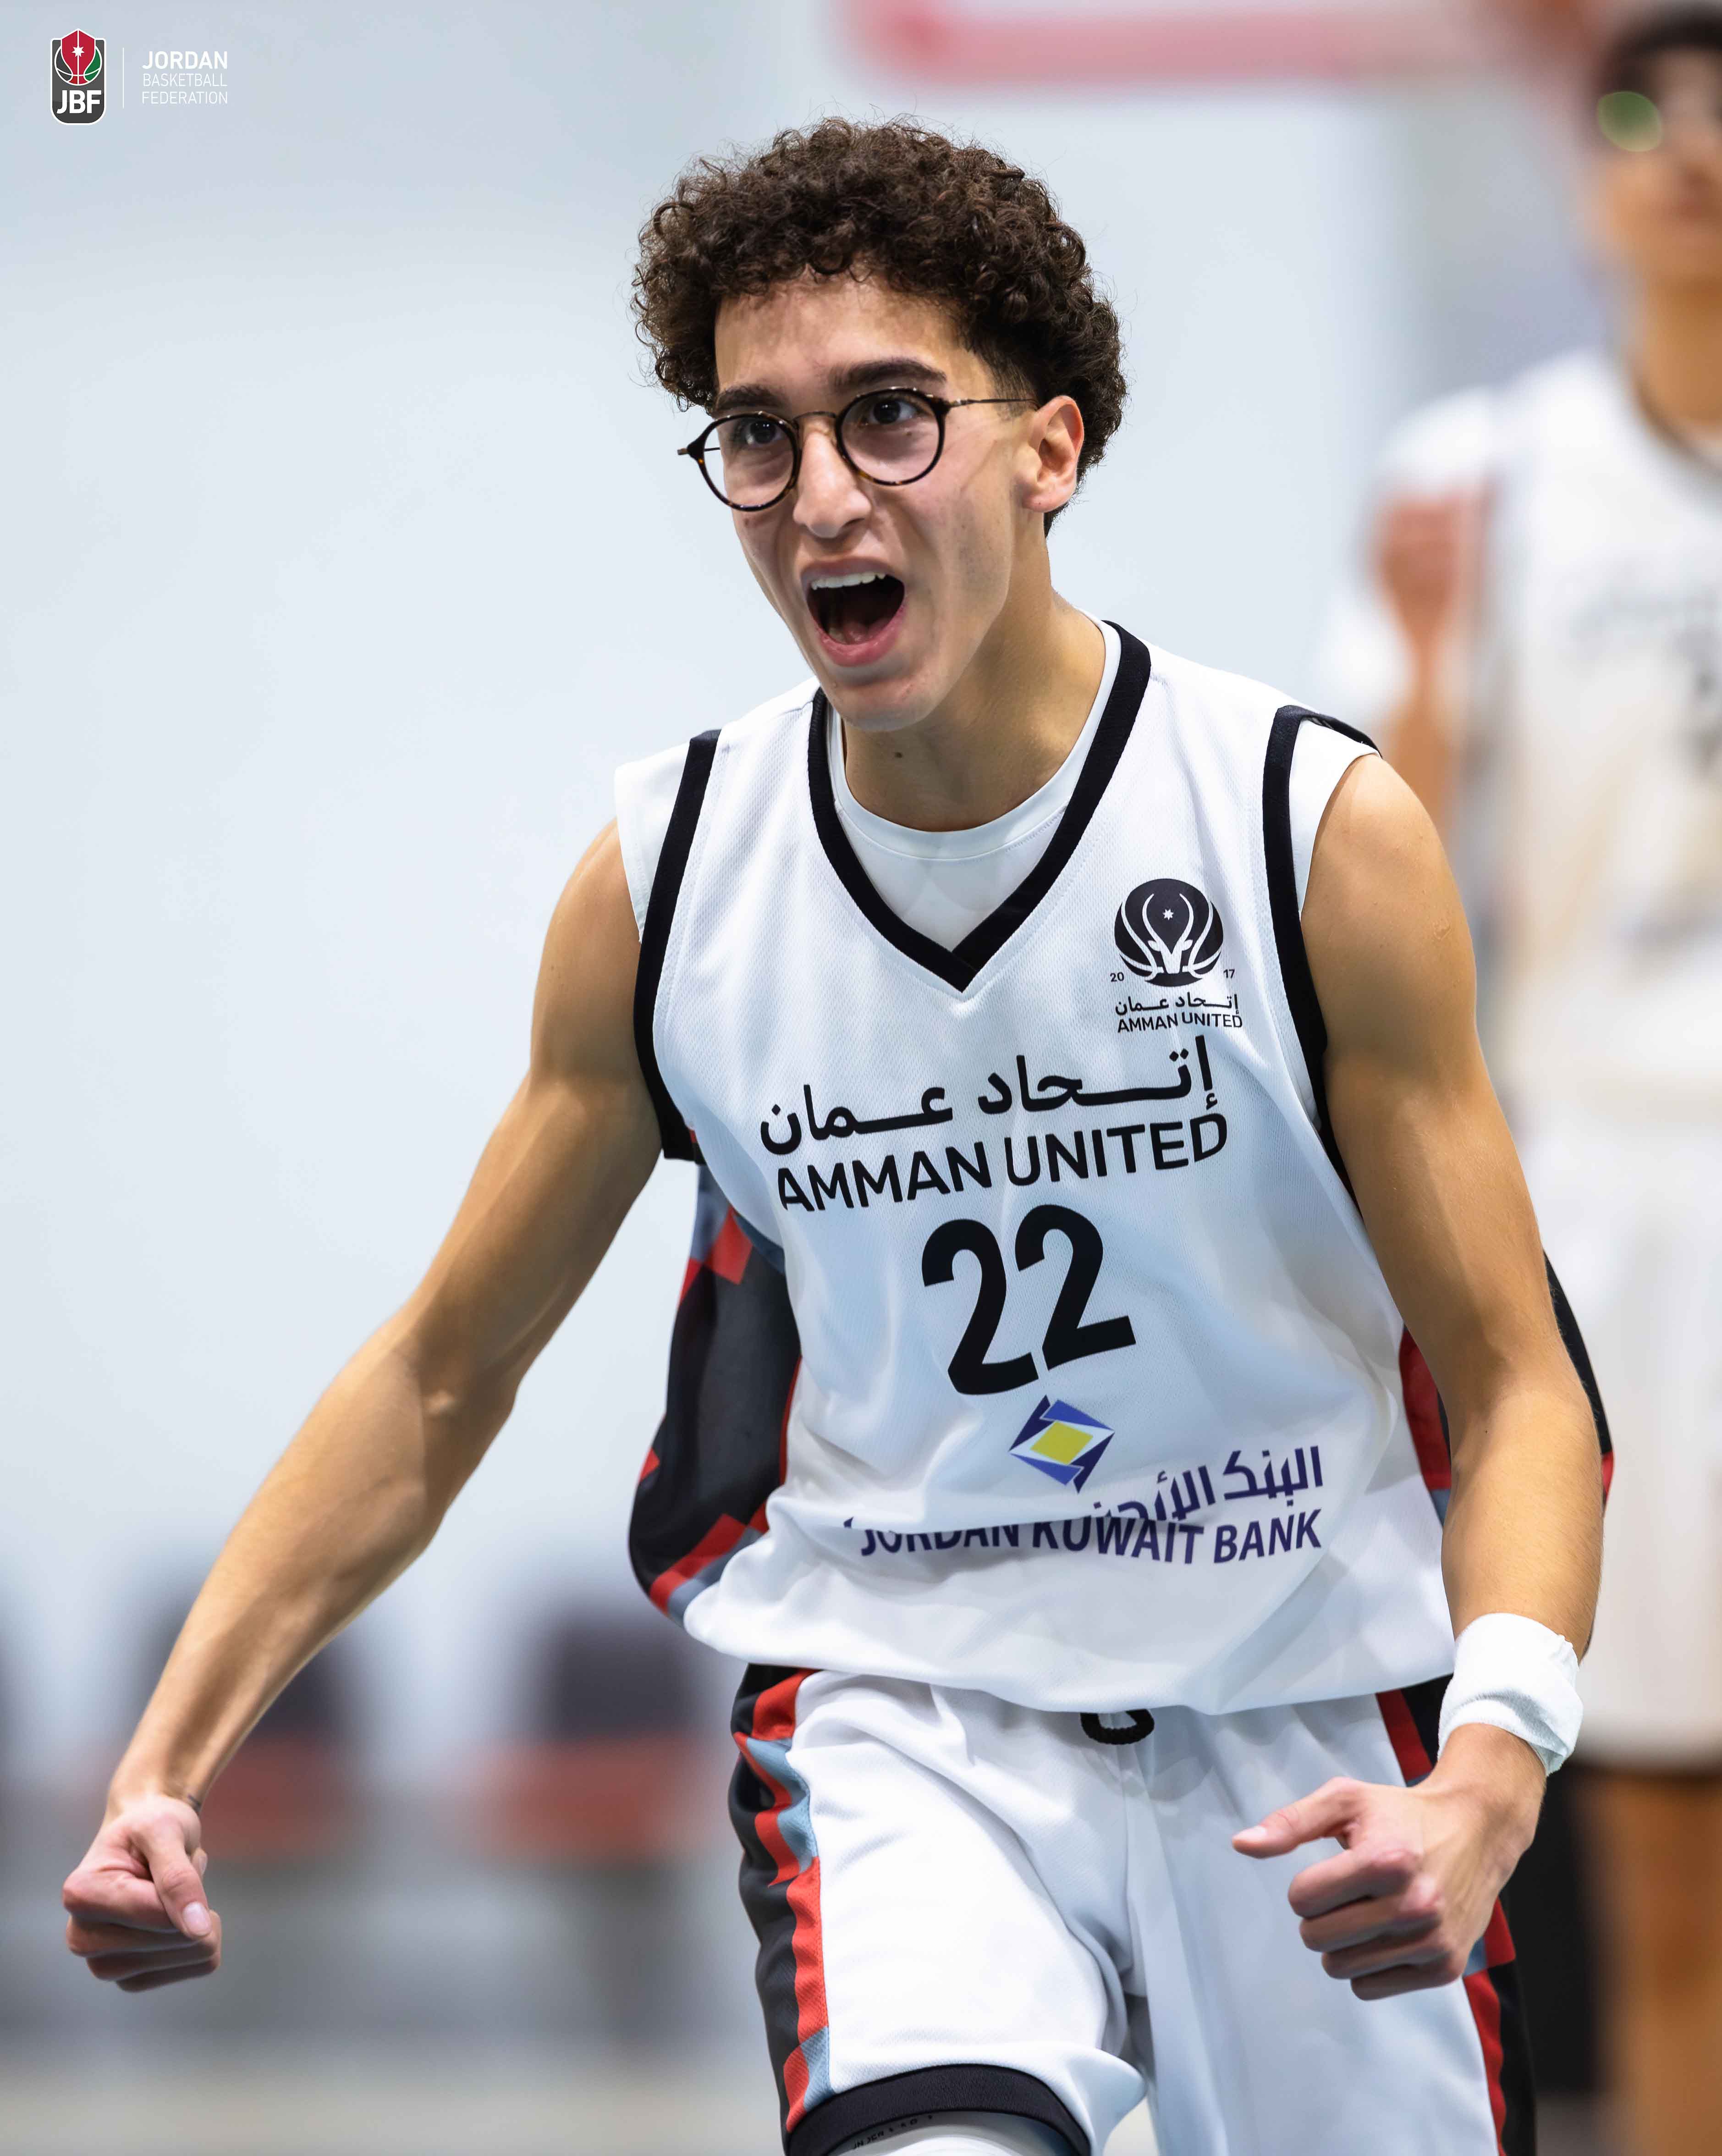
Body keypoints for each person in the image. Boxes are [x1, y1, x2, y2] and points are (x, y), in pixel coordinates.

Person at [63, 118, 1606, 2156]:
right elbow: (440, 1375)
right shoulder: (671, 883)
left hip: (1310, 1709)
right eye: (756, 435)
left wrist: (1493, 1770)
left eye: (888, 415)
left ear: (1049, 447)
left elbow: (1516, 1386)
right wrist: (163, 1765)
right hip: (905, 1722)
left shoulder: (1296, 831)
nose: (818, 496)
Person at [1315, 11, 1722, 2153]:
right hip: (1613, 1201)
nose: (1691, 152)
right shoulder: (1472, 481)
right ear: (1583, 174)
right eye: (1641, 114)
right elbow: (1377, 886)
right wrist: (1426, 678)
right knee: (1656, 1839)